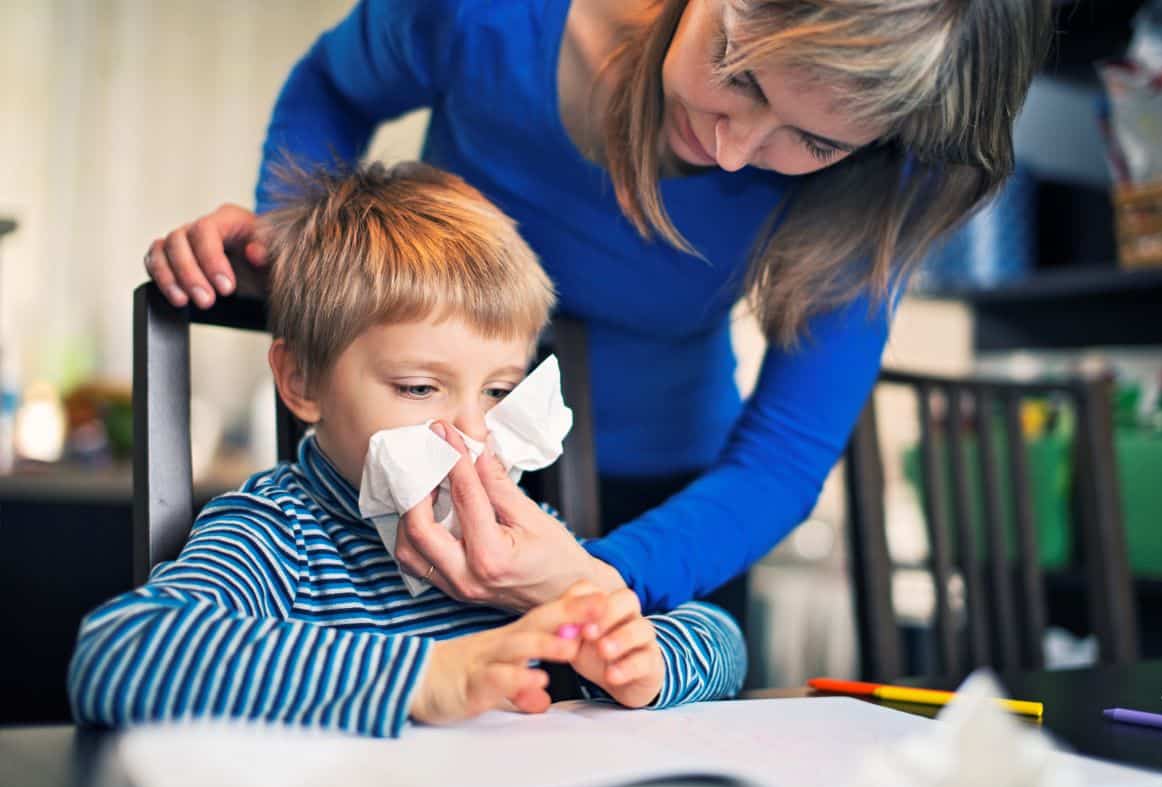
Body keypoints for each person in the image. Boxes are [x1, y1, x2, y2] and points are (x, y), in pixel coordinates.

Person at [143, 0, 1054, 619]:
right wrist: (300, 240)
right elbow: (333, 88)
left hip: (669, 510)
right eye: (738, 72)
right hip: (411, 472)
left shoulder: (889, 174)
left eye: (812, 141)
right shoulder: (488, 17)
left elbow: (782, 456)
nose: (734, 150)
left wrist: (598, 584)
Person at [70, 162, 747, 737]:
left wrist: (647, 660)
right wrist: (423, 679)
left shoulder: (511, 537)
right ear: (302, 380)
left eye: (497, 389)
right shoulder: (281, 534)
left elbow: (723, 636)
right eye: (419, 387)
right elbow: (119, 651)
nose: (473, 434)